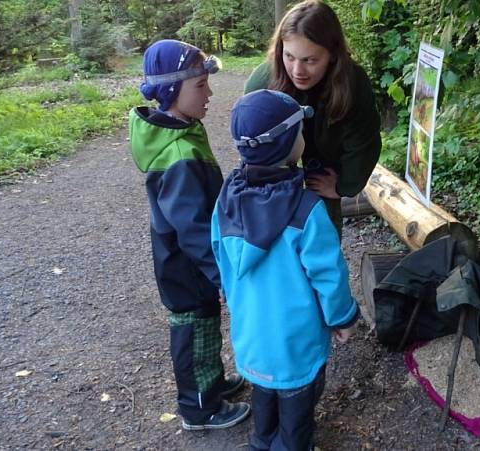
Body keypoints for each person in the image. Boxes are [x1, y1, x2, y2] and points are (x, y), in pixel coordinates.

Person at [211, 89, 359, 450]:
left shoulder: (227, 200)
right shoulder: (307, 210)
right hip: (297, 342)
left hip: (252, 336)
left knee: (265, 394)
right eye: (300, 132)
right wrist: (342, 318)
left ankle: (263, 442)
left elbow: (219, 255)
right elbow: (328, 274)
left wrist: (231, 295)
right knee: (297, 412)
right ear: (288, 145)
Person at [128, 39, 250, 431]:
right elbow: (194, 230)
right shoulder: (179, 157)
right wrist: (224, 275)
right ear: (169, 92)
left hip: (193, 264)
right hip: (187, 266)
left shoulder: (182, 131)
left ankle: (211, 384)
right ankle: (199, 410)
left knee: (206, 328)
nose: (209, 92)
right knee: (194, 333)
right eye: (200, 86)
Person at [244, 0, 382, 236]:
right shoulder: (262, 82)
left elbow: (364, 144)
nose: (297, 70)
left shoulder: (353, 83)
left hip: (325, 162)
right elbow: (251, 145)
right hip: (275, 164)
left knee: (323, 231)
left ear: (332, 55)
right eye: (289, 57)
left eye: (310, 60)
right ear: (280, 50)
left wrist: (342, 186)